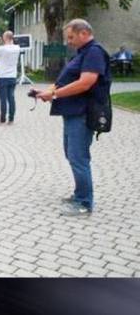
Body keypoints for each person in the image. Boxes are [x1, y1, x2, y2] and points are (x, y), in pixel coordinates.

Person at [33, 19, 110, 217]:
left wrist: (55, 95)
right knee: (71, 154)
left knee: (78, 157)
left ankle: (84, 203)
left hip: (83, 113)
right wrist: (47, 92)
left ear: (83, 33)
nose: (68, 41)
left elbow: (85, 83)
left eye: (71, 37)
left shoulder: (94, 52)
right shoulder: (82, 53)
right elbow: (66, 81)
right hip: (72, 113)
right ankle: (79, 194)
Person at [0, 31, 21, 125]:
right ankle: (11, 119)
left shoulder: (2, 49)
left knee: (3, 99)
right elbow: (12, 44)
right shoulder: (17, 48)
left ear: (5, 38)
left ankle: (2, 120)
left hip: (2, 77)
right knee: (11, 98)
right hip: (12, 77)